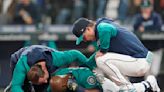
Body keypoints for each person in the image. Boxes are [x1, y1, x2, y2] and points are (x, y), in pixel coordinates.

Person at [72, 17, 160, 91]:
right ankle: (148, 83)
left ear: (88, 29)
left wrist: (103, 50)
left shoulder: (101, 26)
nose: (84, 40)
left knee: (101, 60)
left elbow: (106, 29)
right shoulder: (100, 34)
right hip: (138, 60)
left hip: (140, 60)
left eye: (83, 37)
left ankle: (126, 87)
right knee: (100, 60)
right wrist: (81, 68)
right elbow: (95, 57)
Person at [5, 45, 92, 92]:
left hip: (45, 55)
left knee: (46, 87)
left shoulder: (56, 59)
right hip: (18, 58)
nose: (46, 81)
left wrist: (90, 66)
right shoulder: (21, 66)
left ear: (45, 70)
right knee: (22, 86)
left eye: (45, 79)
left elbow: (75, 54)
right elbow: (16, 87)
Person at [48, 67, 160, 92]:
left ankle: (148, 84)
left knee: (120, 91)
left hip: (97, 80)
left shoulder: (82, 80)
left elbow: (97, 91)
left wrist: (79, 90)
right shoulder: (57, 77)